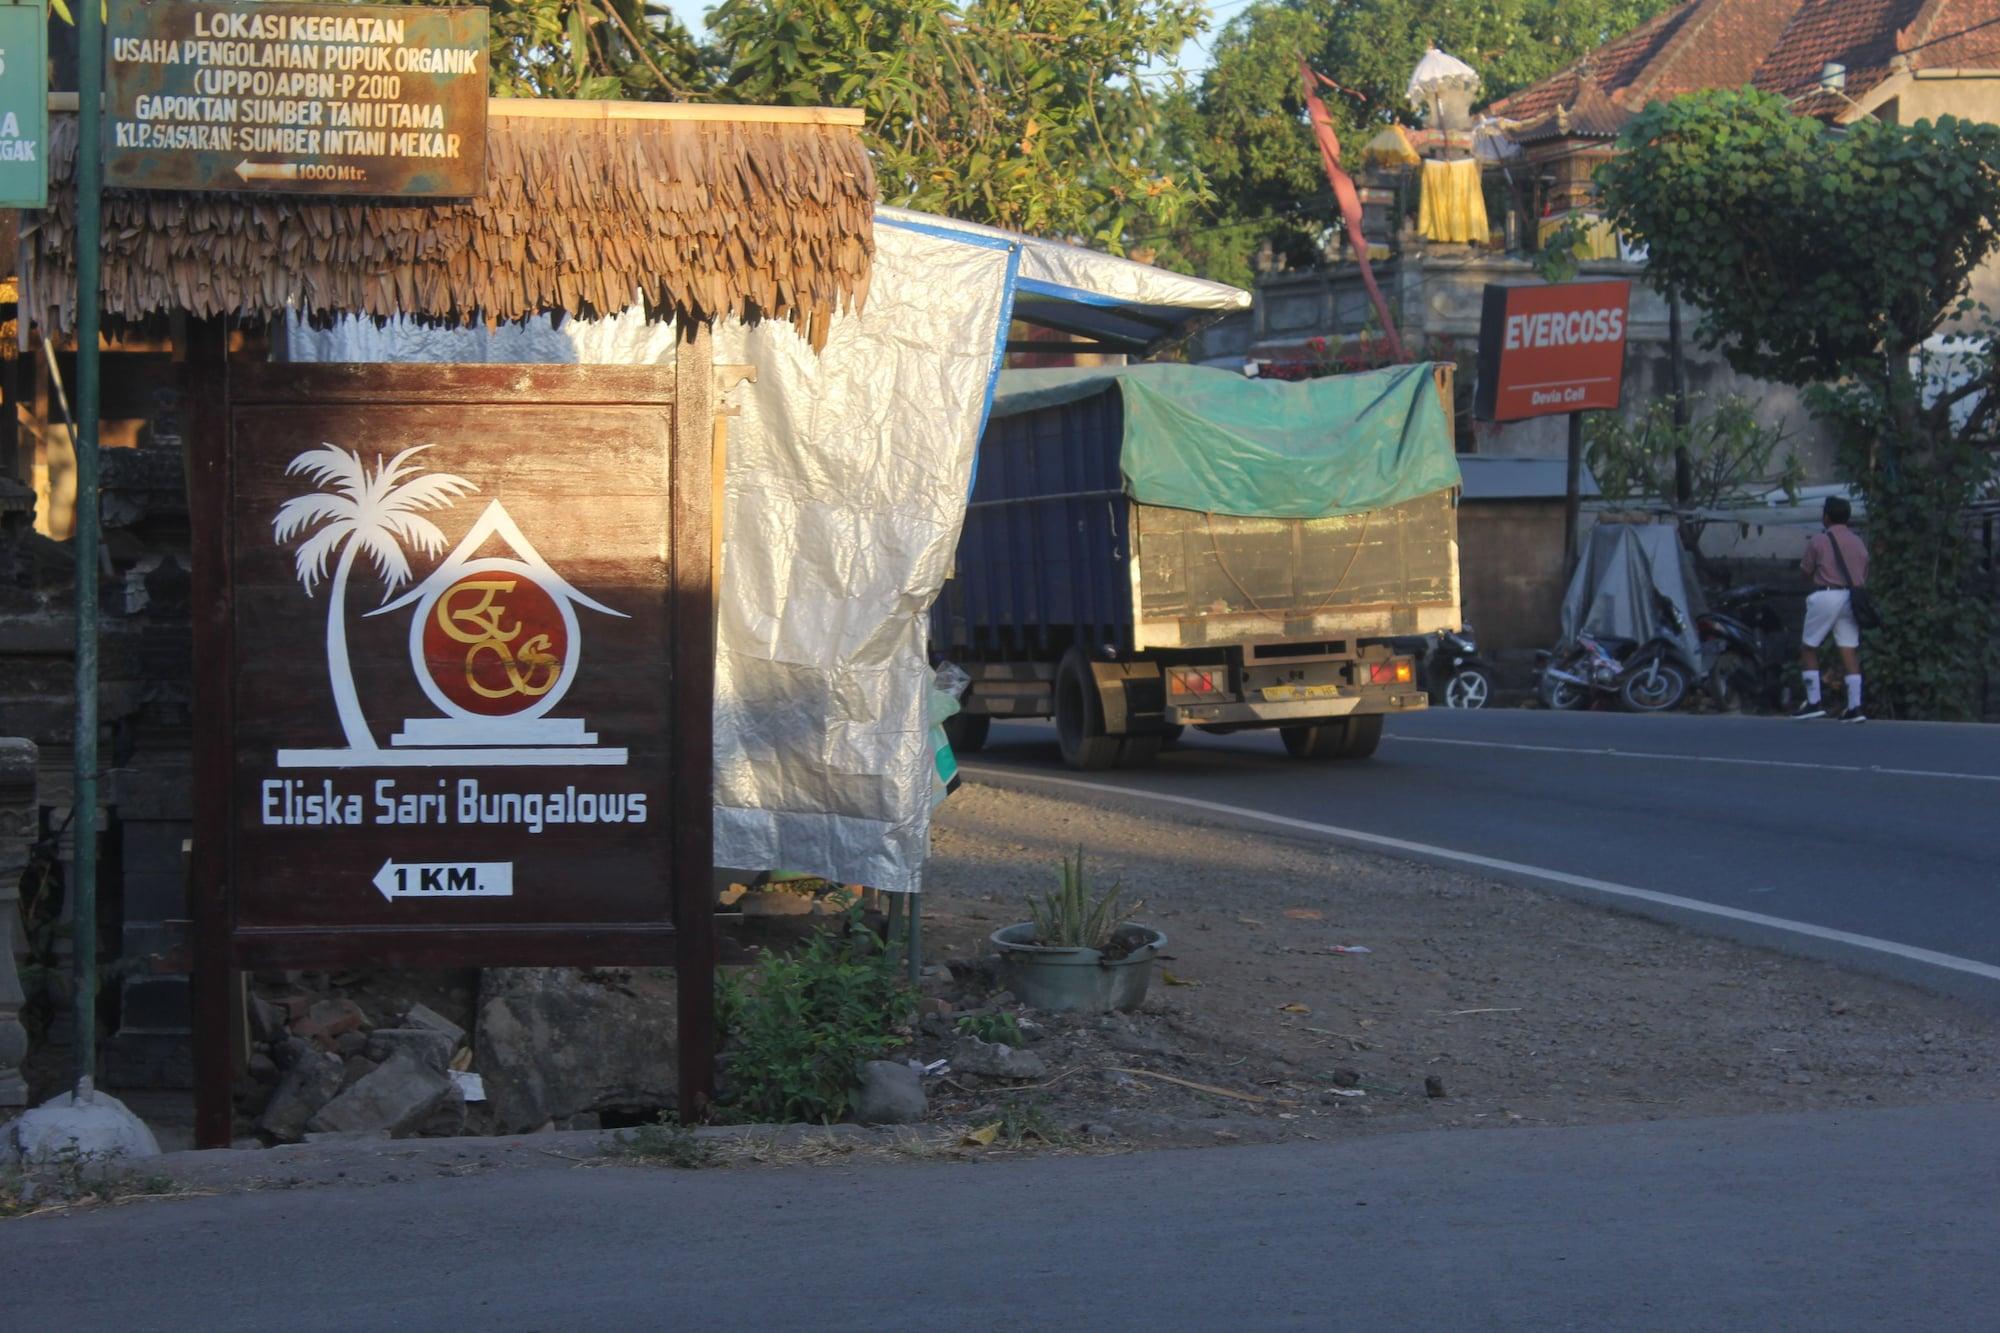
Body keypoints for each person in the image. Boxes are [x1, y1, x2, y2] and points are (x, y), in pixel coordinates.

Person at [1794, 496, 1868, 722]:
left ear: (1826, 517)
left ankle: (1814, 702)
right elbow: (1863, 573)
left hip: (1826, 594)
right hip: (1851, 597)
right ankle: (1855, 707)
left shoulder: (1819, 540)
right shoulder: (1858, 542)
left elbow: (1805, 571)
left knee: (1808, 647)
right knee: (1848, 649)